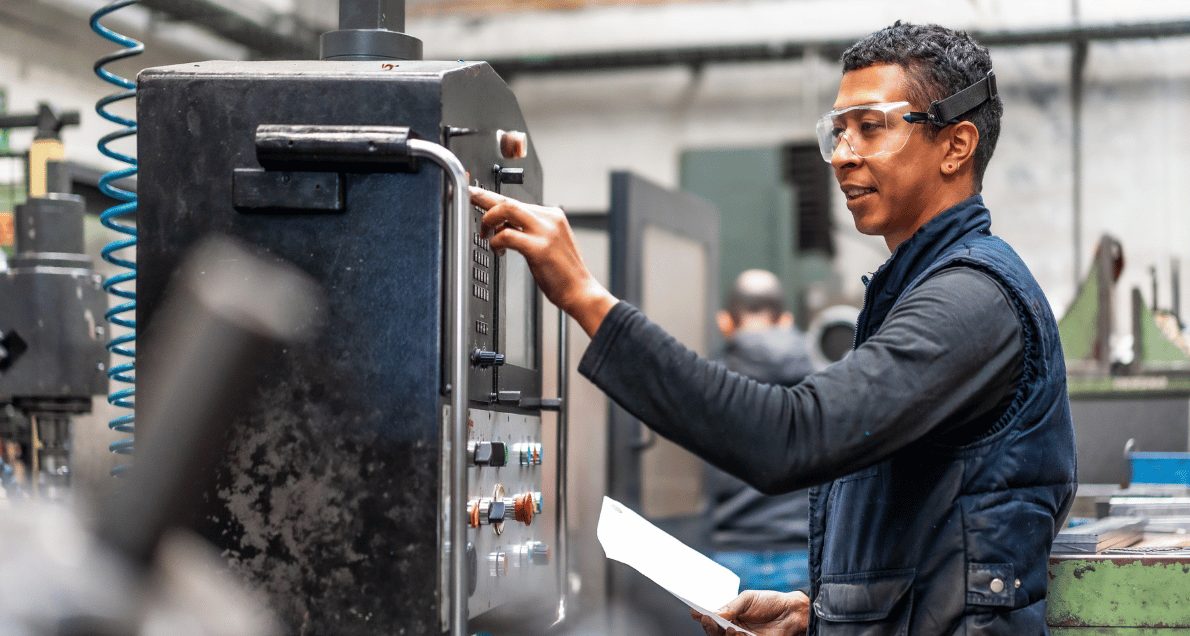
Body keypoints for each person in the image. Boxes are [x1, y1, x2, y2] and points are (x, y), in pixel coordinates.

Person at [470, 21, 1076, 635]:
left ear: (956, 145)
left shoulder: (972, 300)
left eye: (871, 126)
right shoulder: (919, 291)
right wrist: (820, 617)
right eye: (838, 131)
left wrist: (584, 296)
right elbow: (926, 535)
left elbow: (791, 438)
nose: (843, 154)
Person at [708, 269, 816, 594]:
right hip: (803, 554)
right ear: (785, 320)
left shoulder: (707, 384)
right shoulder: (822, 381)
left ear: (725, 322)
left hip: (730, 554)